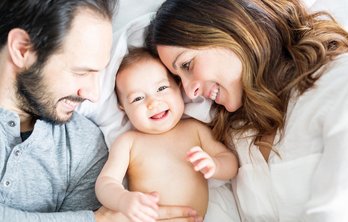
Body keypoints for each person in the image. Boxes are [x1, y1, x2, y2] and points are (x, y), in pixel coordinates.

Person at [145, 0, 348, 221]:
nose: (190, 91)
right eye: (178, 79)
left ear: (229, 28)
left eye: (187, 65)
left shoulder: (340, 83)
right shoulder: (237, 138)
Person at [0, 1, 202, 222]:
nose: (93, 94)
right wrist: (96, 220)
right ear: (22, 49)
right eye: (82, 72)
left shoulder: (84, 147)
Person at [95, 48, 238, 222]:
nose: (153, 102)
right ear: (123, 108)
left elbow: (230, 163)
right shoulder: (128, 142)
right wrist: (123, 200)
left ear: (179, 89)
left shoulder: (195, 130)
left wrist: (215, 165)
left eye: (162, 88)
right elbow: (105, 183)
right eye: (138, 98)